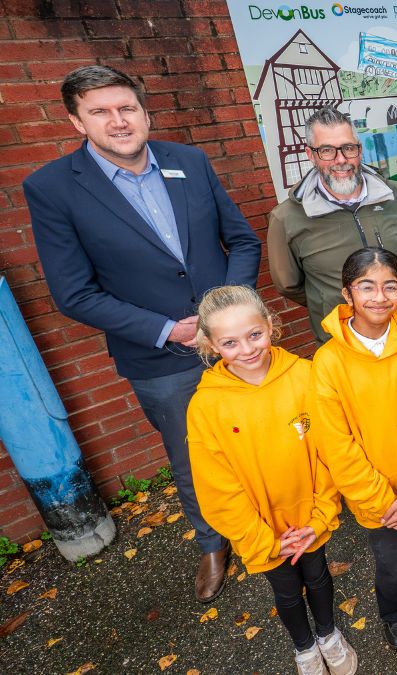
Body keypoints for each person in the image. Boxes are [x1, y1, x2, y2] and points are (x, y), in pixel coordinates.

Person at [23, 65, 262, 603]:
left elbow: (242, 241)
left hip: (238, 344)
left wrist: (233, 311)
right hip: (162, 358)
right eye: (100, 111)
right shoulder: (53, 188)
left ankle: (269, 518)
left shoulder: (190, 162)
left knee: (262, 431)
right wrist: (165, 330)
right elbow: (74, 293)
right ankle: (212, 542)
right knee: (190, 453)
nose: (118, 120)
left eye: (127, 108)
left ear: (144, 111)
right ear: (76, 121)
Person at [187, 286, 355, 675]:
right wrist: (262, 539)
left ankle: (329, 634)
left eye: (254, 335)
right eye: (229, 342)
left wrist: (319, 517)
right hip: (263, 530)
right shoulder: (205, 405)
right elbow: (217, 486)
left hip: (310, 517)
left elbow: (330, 451)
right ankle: (304, 647)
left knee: (317, 576)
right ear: (211, 346)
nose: (246, 349)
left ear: (270, 326)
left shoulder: (305, 376)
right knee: (286, 591)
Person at [310, 248, 397, 663]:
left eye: (390, 286)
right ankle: (394, 615)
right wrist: (384, 500)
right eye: (366, 286)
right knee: (392, 563)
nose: (379, 296)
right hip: (377, 501)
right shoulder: (328, 362)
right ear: (346, 293)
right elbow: (337, 444)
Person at [267, 107, 397, 343]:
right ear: (310, 154)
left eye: (348, 148)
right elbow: (289, 285)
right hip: (345, 347)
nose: (341, 159)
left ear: (359, 150)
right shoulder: (287, 218)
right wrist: (332, 298)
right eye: (327, 150)